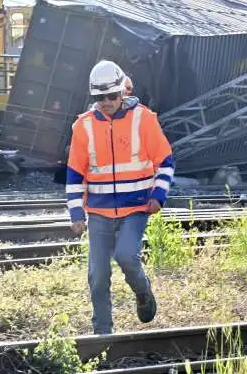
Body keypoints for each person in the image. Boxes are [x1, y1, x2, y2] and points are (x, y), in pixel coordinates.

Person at [65, 60, 176, 335]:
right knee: (98, 276)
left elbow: (165, 162)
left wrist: (158, 195)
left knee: (127, 256)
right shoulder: (83, 126)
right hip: (100, 213)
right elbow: (74, 175)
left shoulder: (144, 119)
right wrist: (77, 214)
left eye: (112, 96)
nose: (106, 102)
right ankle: (103, 334)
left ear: (122, 93)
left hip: (136, 208)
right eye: (99, 97)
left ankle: (143, 292)